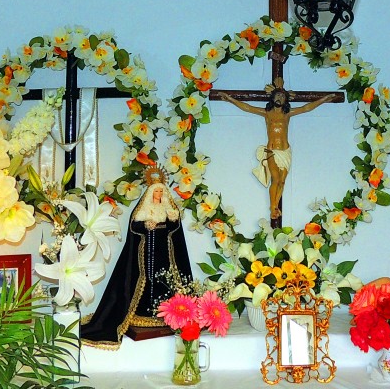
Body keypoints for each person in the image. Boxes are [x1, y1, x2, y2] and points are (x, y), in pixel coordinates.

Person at [80, 175, 193, 348]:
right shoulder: (143, 208)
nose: (158, 194)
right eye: (156, 191)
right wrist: (146, 225)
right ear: (150, 193)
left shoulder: (168, 207)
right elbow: (134, 226)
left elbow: (175, 229)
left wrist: (172, 219)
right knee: (146, 281)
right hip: (147, 252)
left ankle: (163, 313)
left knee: (164, 280)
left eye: (161, 191)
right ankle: (142, 311)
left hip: (164, 252)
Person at [218, 78, 337, 221]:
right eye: (277, 95)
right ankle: (273, 207)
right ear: (272, 97)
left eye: (282, 96)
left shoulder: (287, 114)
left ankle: (274, 206)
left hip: (285, 151)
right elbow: (247, 107)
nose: (279, 98)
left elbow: (306, 107)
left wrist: (323, 100)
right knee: (275, 179)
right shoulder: (267, 113)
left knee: (282, 182)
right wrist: (230, 99)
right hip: (271, 151)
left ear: (286, 100)